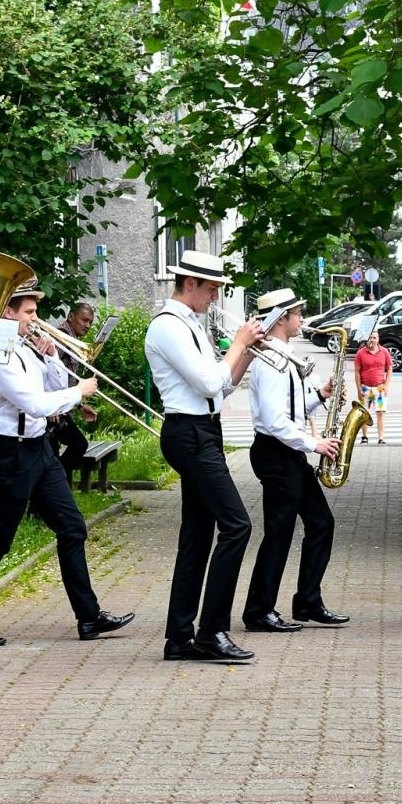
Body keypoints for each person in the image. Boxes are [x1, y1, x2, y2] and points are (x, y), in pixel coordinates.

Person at [0, 282, 133, 646]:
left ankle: (89, 617)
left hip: (39, 449)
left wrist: (52, 357)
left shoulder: (26, 348)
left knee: (72, 527)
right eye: (29, 313)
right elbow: (36, 403)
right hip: (12, 453)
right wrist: (79, 390)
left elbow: (56, 395)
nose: (36, 320)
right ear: (8, 313)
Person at [145, 250, 263, 662]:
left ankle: (179, 638)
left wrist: (246, 353)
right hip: (188, 433)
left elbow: (221, 387)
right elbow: (209, 378)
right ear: (189, 284)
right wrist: (239, 343)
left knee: (196, 536)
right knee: (237, 526)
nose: (216, 296)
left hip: (203, 430)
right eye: (212, 288)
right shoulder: (168, 327)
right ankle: (211, 631)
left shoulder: (191, 324)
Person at [241, 289, 349, 634]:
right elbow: (274, 420)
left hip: (288, 451)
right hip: (275, 452)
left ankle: (307, 600)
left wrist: (321, 396)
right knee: (279, 533)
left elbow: (291, 409)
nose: (301, 319)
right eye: (297, 313)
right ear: (282, 318)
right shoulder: (270, 362)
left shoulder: (284, 357)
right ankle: (258, 611)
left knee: (321, 523)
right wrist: (315, 444)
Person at [50, 301, 98, 474]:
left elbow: (66, 379)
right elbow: (51, 373)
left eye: (90, 322)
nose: (87, 325)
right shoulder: (62, 338)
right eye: (84, 320)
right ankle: (57, 480)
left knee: (56, 453)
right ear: (71, 317)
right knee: (79, 444)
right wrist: (53, 406)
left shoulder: (72, 339)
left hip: (62, 407)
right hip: (54, 410)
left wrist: (79, 405)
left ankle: (57, 484)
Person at [353, 329, 393, 444]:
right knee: (364, 413)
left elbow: (389, 368)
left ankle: (381, 438)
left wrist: (386, 385)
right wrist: (359, 388)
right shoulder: (360, 353)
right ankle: (364, 437)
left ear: (378, 339)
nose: (372, 340)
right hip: (365, 388)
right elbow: (357, 372)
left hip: (379, 388)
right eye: (370, 337)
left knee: (381, 412)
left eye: (374, 338)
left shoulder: (384, 352)